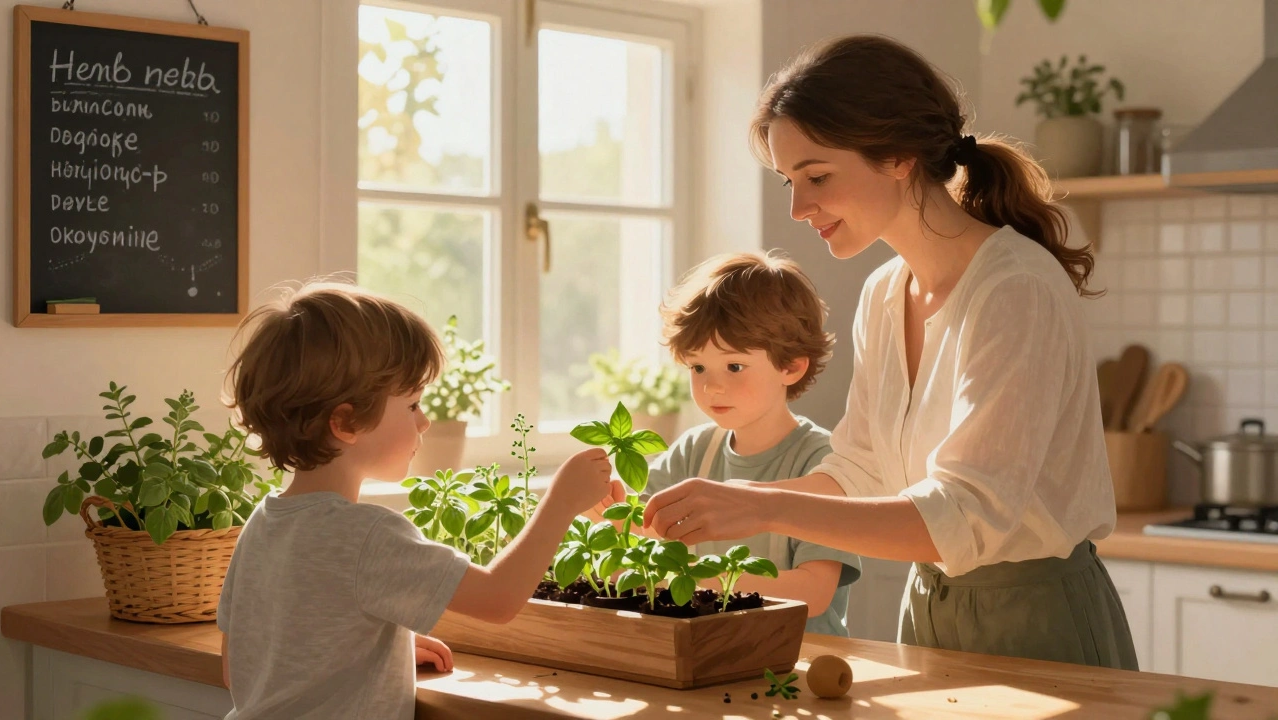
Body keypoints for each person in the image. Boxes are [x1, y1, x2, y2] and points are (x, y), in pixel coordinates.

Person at [642, 34, 1137, 669]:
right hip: (927, 607)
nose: (797, 207)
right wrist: (699, 510)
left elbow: (962, 516)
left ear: (899, 156)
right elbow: (861, 472)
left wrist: (758, 505)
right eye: (789, 181)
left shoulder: (1015, 290)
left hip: (1037, 622)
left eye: (816, 176)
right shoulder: (885, 292)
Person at [217, 282, 612, 719]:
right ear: (346, 422)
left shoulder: (262, 522)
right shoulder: (368, 534)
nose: (424, 422)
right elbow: (498, 600)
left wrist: (376, 641)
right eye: (412, 405)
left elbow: (237, 669)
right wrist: (560, 501)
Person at [595, 251, 860, 635]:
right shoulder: (694, 450)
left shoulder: (823, 463)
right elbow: (641, 529)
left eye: (734, 366)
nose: (711, 386)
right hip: (712, 651)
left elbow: (814, 592)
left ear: (791, 366)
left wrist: (687, 577)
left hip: (802, 660)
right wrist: (603, 511)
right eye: (697, 367)